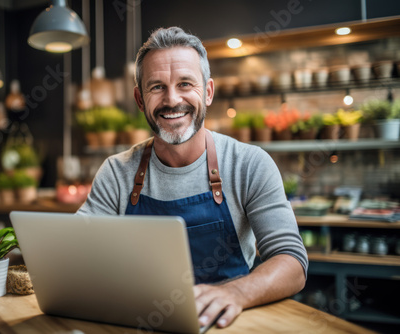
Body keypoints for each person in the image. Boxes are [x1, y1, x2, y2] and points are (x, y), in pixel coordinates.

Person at [76, 27, 307, 329]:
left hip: (229, 325)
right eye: (157, 87)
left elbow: (291, 262)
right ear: (139, 99)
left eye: (185, 84)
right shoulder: (117, 173)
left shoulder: (249, 164)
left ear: (208, 92)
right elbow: (77, 252)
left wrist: (236, 292)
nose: (172, 100)